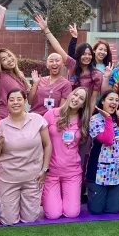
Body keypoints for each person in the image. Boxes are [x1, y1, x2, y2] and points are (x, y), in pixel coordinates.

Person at [0, 89, 51, 225]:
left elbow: (47, 145)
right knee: (8, 221)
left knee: (30, 219)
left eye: (19, 99)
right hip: (7, 178)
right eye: (11, 100)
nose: (15, 102)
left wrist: (44, 169)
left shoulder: (38, 120)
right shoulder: (1, 125)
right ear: (7, 104)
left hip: (32, 177)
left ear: (25, 102)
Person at [42, 87, 91, 219]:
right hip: (51, 171)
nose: (76, 99)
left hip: (72, 172)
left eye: (81, 99)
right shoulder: (51, 114)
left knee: (72, 213)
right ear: (70, 95)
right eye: (75, 95)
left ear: (83, 105)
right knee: (53, 214)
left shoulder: (83, 121)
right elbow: (41, 142)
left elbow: (82, 147)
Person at [86, 90, 119, 214]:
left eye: (117, 100)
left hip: (118, 170)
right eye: (110, 99)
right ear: (102, 101)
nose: (114, 102)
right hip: (100, 170)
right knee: (96, 210)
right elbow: (107, 140)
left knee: (113, 210)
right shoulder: (94, 119)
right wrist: (108, 118)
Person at [0, 48, 28, 120]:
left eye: (9, 55)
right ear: (0, 64)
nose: (9, 59)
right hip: (4, 115)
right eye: (4, 59)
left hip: (20, 114)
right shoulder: (0, 75)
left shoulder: (20, 75)